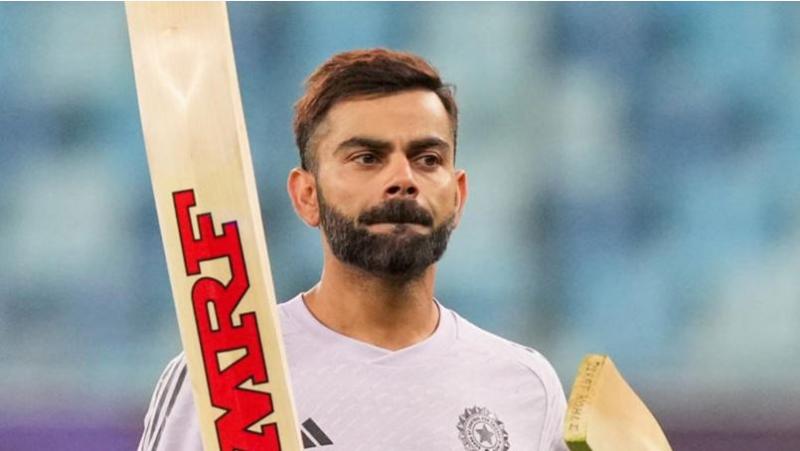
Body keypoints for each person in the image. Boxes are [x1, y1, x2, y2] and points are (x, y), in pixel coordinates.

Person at [138, 48, 567, 451]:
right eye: (367, 157)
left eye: (428, 159)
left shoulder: (524, 386)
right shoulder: (228, 377)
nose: (403, 179)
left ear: (458, 196)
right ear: (307, 195)